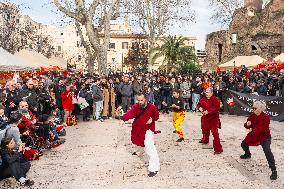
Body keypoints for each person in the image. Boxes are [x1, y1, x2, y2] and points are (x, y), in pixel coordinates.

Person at [122, 93, 160, 177]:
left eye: (141, 100)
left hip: (148, 129)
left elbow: (157, 116)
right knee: (136, 142)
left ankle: (154, 168)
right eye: (138, 100)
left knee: (149, 147)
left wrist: (152, 119)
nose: (139, 102)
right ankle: (139, 152)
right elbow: (130, 113)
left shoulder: (152, 107)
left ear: (145, 99)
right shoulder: (136, 106)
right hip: (138, 129)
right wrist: (123, 118)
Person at [240, 101, 277, 180]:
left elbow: (262, 129)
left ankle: (274, 170)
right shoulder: (253, 115)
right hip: (254, 134)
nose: (253, 109)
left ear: (260, 109)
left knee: (267, 150)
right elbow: (246, 125)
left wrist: (252, 130)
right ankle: (247, 154)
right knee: (243, 144)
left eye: (255, 108)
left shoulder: (265, 117)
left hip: (264, 136)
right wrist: (248, 124)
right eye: (253, 107)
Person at [198, 88, 223, 154]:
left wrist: (208, 111)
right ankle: (205, 140)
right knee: (205, 129)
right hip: (205, 118)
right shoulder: (203, 98)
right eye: (206, 92)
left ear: (211, 93)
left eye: (208, 92)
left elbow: (216, 107)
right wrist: (200, 108)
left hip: (214, 118)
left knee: (215, 132)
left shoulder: (215, 99)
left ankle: (218, 149)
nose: (206, 93)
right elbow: (199, 104)